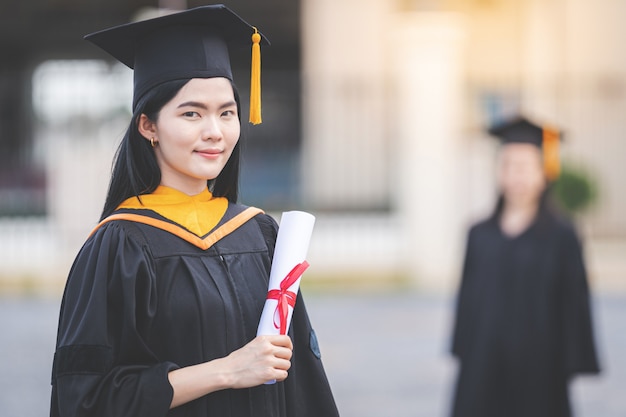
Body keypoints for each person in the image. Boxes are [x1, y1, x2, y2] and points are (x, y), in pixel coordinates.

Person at [50, 5, 340, 417]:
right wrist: (227, 371)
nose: (215, 132)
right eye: (192, 113)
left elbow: (303, 383)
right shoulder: (121, 245)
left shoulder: (259, 234)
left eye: (227, 112)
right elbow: (87, 398)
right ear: (148, 126)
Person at [449, 116, 600, 417]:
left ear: (544, 172)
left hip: (542, 369)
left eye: (525, 166)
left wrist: (571, 361)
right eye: (507, 165)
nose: (516, 175)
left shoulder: (562, 235)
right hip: (482, 367)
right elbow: (467, 301)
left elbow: (574, 302)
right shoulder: (479, 234)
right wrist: (463, 349)